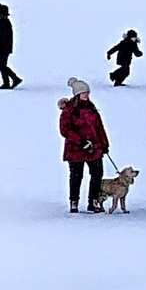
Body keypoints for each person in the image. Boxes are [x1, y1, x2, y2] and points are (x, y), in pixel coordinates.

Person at [59, 77, 109, 212]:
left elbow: (99, 127)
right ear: (76, 95)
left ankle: (93, 201)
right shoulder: (68, 111)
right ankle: (74, 201)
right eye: (83, 92)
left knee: (97, 174)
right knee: (76, 175)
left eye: (87, 92)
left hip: (94, 147)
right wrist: (80, 141)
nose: (86, 95)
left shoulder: (91, 109)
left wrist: (104, 144)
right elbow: (65, 130)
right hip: (75, 149)